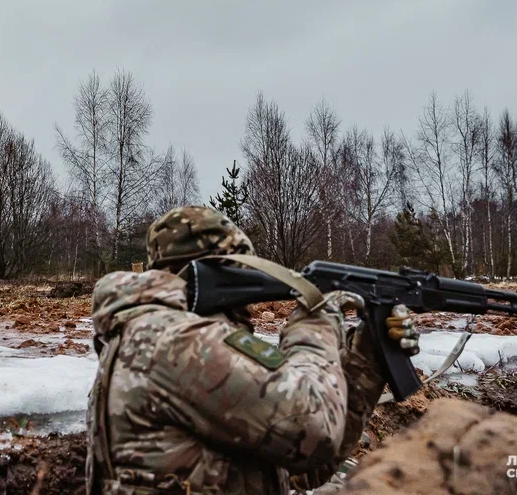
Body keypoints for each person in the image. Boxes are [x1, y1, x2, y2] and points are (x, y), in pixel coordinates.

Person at [85, 206, 418, 495]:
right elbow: (312, 428)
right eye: (240, 274)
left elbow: (304, 463)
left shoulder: (155, 336)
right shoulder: (174, 341)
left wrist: (368, 354)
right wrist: (314, 325)